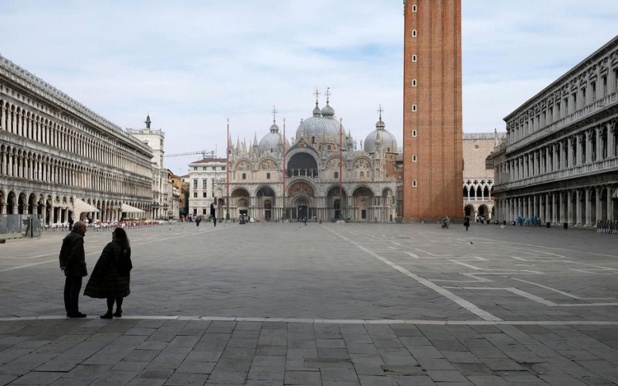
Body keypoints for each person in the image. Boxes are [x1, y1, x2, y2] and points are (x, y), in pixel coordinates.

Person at [84, 227, 132, 319]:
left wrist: (98, 272)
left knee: (111, 293)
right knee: (120, 293)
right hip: (123, 273)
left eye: (113, 233)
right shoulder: (126, 246)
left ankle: (109, 312)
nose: (112, 234)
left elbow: (103, 260)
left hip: (112, 274)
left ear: (116, 235)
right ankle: (118, 310)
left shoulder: (111, 246)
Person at [59, 221, 88, 318]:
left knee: (68, 289)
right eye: (84, 228)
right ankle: (74, 311)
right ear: (79, 228)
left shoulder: (69, 236)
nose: (86, 230)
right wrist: (68, 266)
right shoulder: (78, 238)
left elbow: (62, 252)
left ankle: (69, 310)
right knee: (75, 290)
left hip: (69, 267)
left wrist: (63, 264)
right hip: (76, 268)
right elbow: (75, 254)